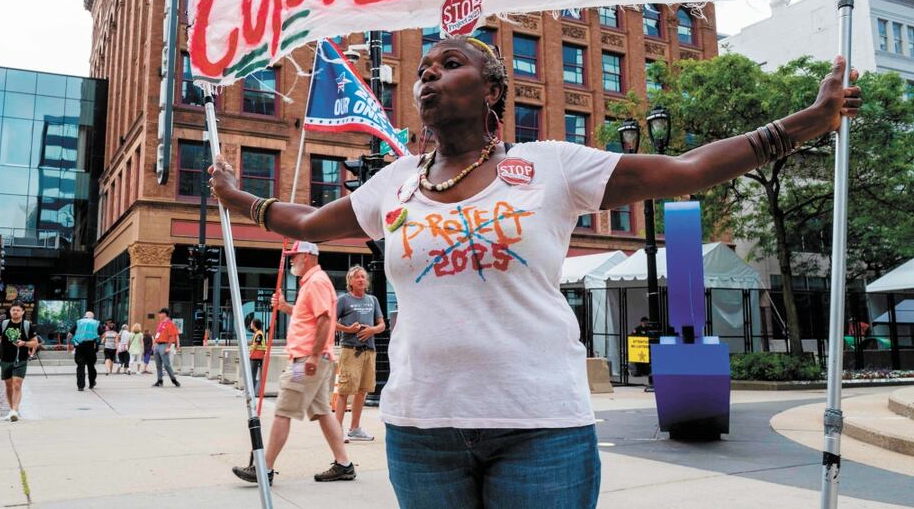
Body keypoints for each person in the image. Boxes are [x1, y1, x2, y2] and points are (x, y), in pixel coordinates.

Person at [210, 37, 861, 507]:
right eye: (424, 69)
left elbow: (688, 170)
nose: (428, 76)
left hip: (541, 427)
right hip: (421, 429)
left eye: (450, 63)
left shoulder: (550, 166)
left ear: (492, 89)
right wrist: (239, 200)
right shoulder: (393, 183)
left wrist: (808, 121)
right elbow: (307, 223)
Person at [232, 241, 355, 485]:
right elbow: (310, 318)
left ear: (307, 256)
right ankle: (344, 464)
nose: (290, 260)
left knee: (283, 410)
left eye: (294, 256)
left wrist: (312, 356)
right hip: (314, 359)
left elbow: (324, 320)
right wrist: (285, 307)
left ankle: (264, 468)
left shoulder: (317, 282)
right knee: (321, 411)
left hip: (306, 363)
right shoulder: (312, 282)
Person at [334, 265, 386, 443]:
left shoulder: (372, 300)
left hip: (369, 351)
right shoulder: (343, 300)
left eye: (363, 276)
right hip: (350, 351)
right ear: (350, 281)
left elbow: (382, 325)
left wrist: (372, 330)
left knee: (362, 391)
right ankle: (336, 431)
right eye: (357, 277)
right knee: (344, 391)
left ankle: (354, 429)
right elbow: (330, 322)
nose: (361, 279)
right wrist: (347, 329)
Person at [0, 301, 38, 422]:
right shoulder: (5, 324)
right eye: (13, 310)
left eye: (18, 310)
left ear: (22, 312)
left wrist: (25, 343)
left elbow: (35, 342)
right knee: (8, 385)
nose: (15, 312)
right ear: (10, 311)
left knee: (17, 384)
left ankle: (15, 410)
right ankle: (12, 410)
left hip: (20, 359)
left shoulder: (27, 325)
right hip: (5, 358)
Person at [70, 311, 104, 391]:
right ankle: (91, 383)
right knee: (91, 365)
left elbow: (70, 334)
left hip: (79, 346)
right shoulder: (96, 323)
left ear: (85, 316)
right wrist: (97, 340)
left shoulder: (78, 322)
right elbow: (102, 334)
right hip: (91, 346)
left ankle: (80, 386)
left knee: (80, 366)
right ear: (92, 317)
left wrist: (69, 344)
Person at [152, 308, 180, 387]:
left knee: (166, 364)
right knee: (158, 365)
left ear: (164, 314)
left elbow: (172, 336)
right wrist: (154, 343)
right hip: (157, 345)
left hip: (164, 345)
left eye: (160, 313)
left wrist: (168, 347)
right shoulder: (161, 323)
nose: (159, 315)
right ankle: (159, 380)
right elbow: (158, 334)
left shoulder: (170, 324)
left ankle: (173, 379)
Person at [249, 318, 266, 396]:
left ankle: (251, 391)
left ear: (254, 324)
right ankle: (254, 391)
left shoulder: (259, 334)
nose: (250, 325)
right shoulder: (258, 333)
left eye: (251, 323)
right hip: (258, 355)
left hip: (256, 356)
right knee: (254, 374)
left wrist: (251, 354)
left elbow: (256, 345)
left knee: (252, 374)